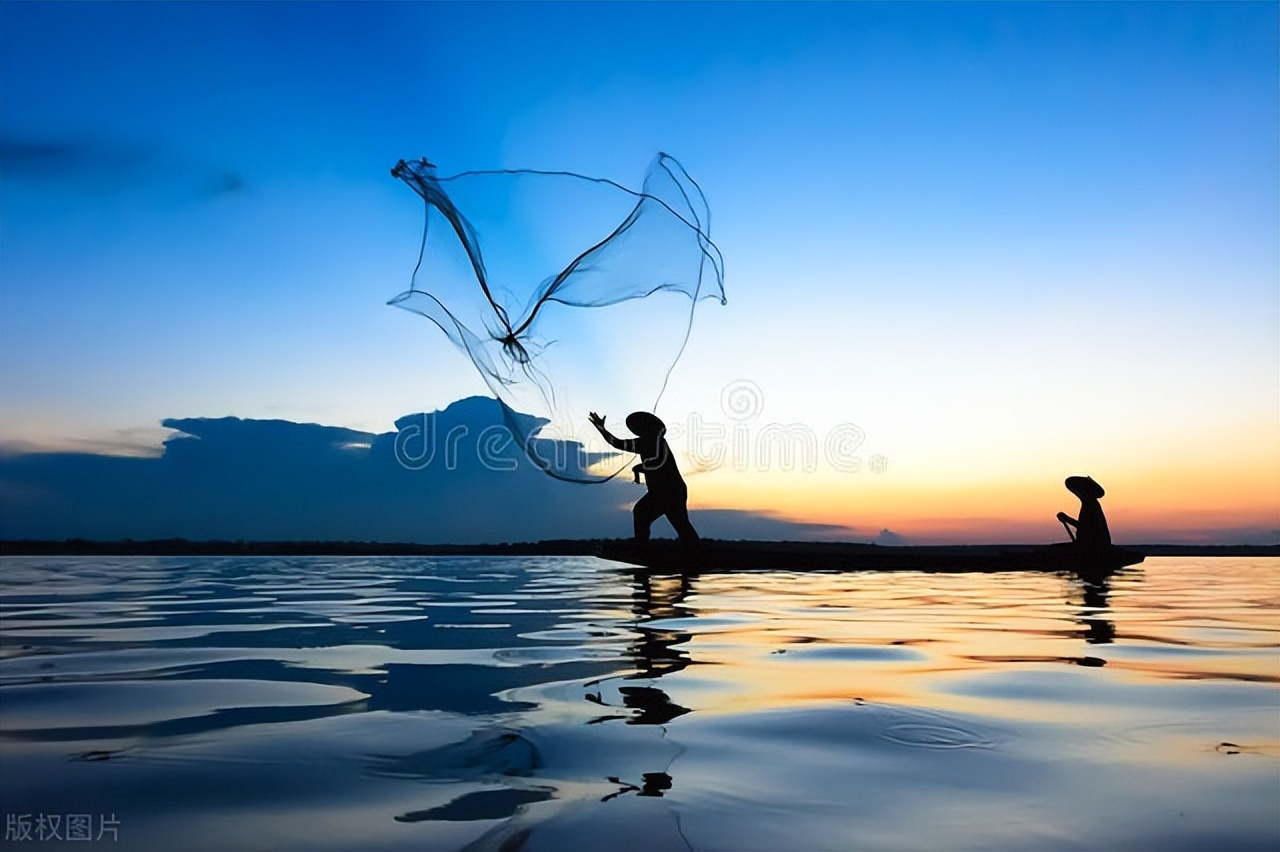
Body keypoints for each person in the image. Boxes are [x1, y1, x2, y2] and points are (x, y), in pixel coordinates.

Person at [589, 410, 699, 544]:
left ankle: (643, 548)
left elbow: (659, 461)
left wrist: (641, 467)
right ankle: (694, 551)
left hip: (670, 491)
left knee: (644, 513)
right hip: (665, 492)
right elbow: (616, 443)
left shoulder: (659, 442)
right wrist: (602, 429)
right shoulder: (641, 443)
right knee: (679, 524)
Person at [1056, 475, 1111, 547]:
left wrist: (1067, 518)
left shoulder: (1090, 504)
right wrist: (1066, 518)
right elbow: (1084, 525)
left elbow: (1084, 527)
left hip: (1093, 544)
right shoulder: (1089, 503)